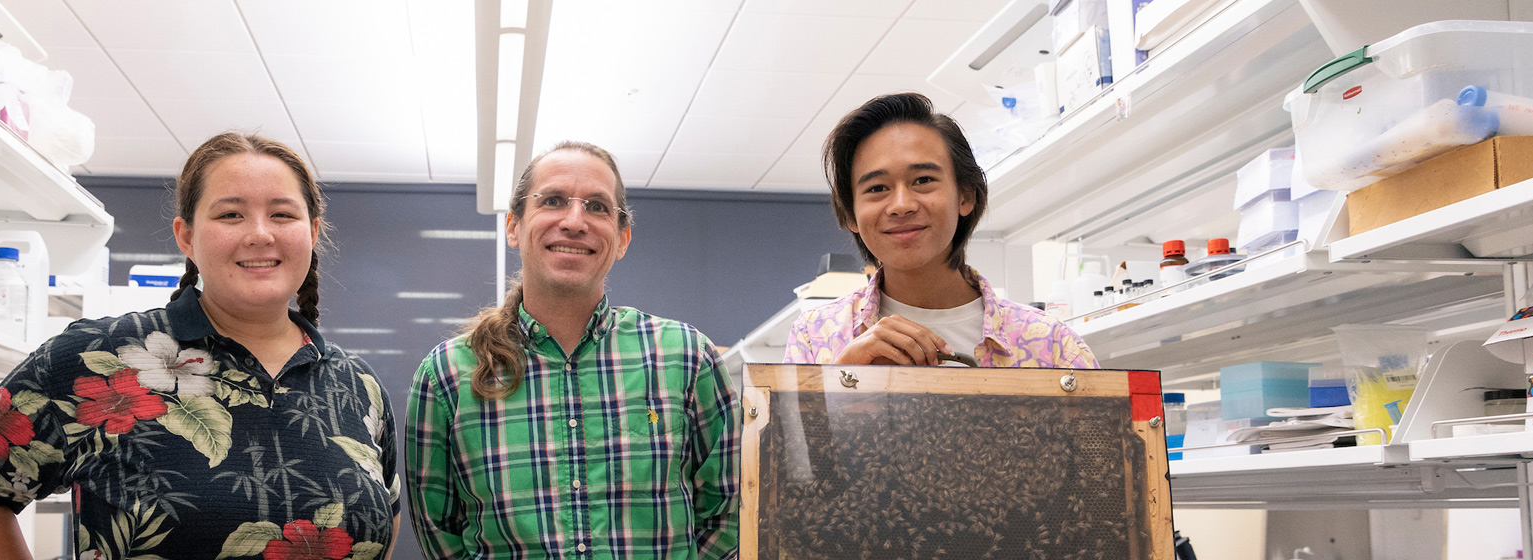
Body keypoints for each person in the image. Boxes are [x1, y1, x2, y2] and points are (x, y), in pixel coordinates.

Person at [0, 133, 400, 560]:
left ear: (312, 233)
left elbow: (384, 520)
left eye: (282, 213)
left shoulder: (356, 385)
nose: (260, 233)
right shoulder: (94, 357)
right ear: (187, 237)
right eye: (230, 214)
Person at [404, 141, 739, 559]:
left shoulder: (687, 359)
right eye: (553, 200)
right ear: (513, 226)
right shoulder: (446, 375)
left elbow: (728, 516)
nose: (575, 221)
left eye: (597, 206)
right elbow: (441, 535)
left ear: (622, 239)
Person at [785, 93, 1097, 368]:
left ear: (966, 196)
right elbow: (783, 437)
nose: (901, 205)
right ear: (851, 214)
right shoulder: (815, 336)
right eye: (877, 187)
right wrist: (843, 377)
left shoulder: (1051, 344)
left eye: (923, 180)